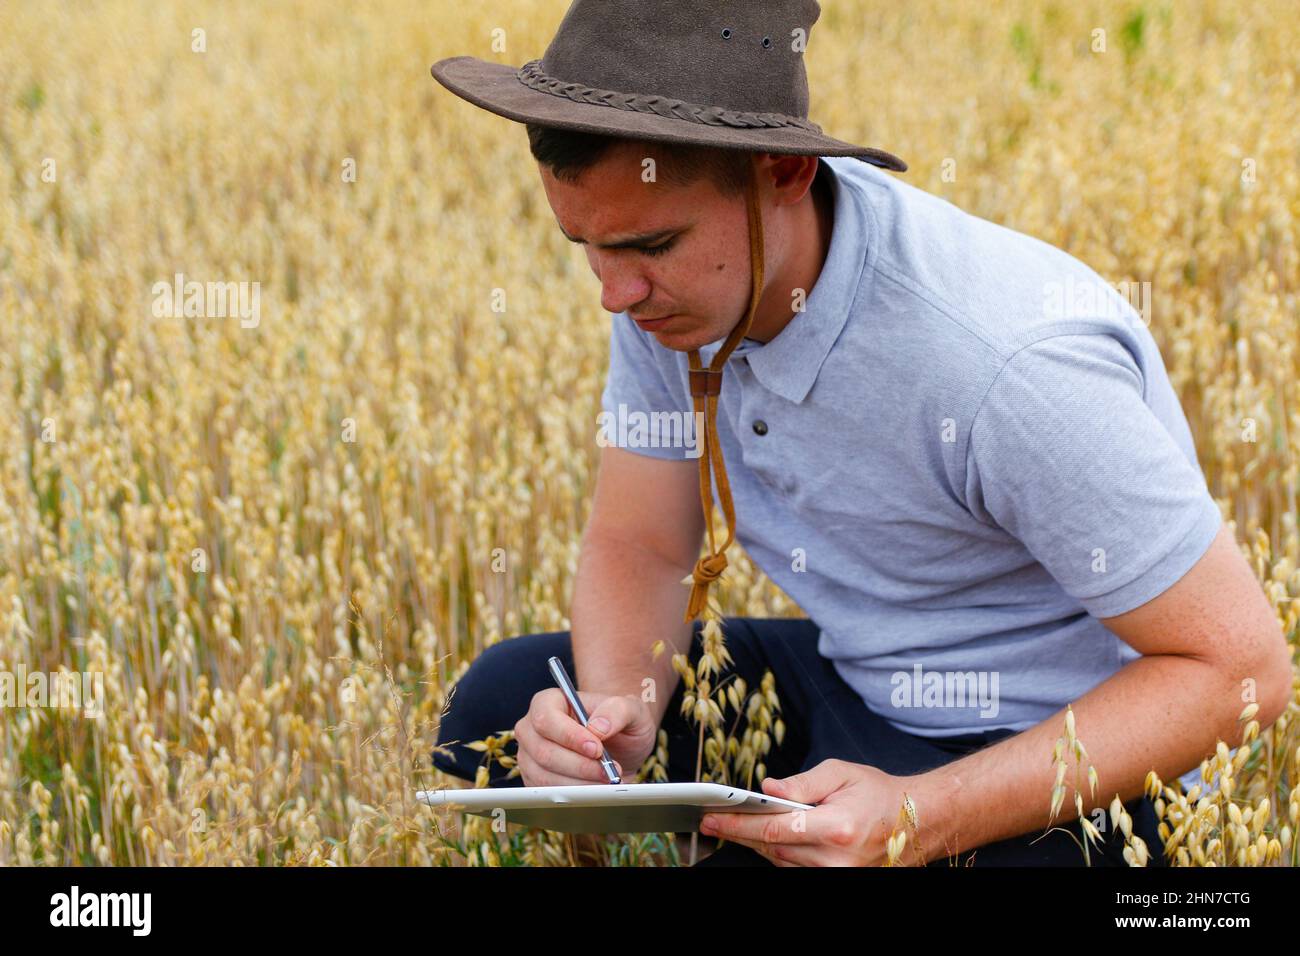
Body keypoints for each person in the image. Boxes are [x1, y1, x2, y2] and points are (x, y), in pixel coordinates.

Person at [426, 0, 1292, 866]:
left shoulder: (1007, 362)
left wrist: (922, 817)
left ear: (784, 174)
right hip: (858, 684)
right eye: (587, 243)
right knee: (494, 708)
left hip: (1070, 758)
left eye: (650, 243)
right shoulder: (679, 298)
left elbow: (1239, 672)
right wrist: (613, 725)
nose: (613, 293)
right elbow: (642, 543)